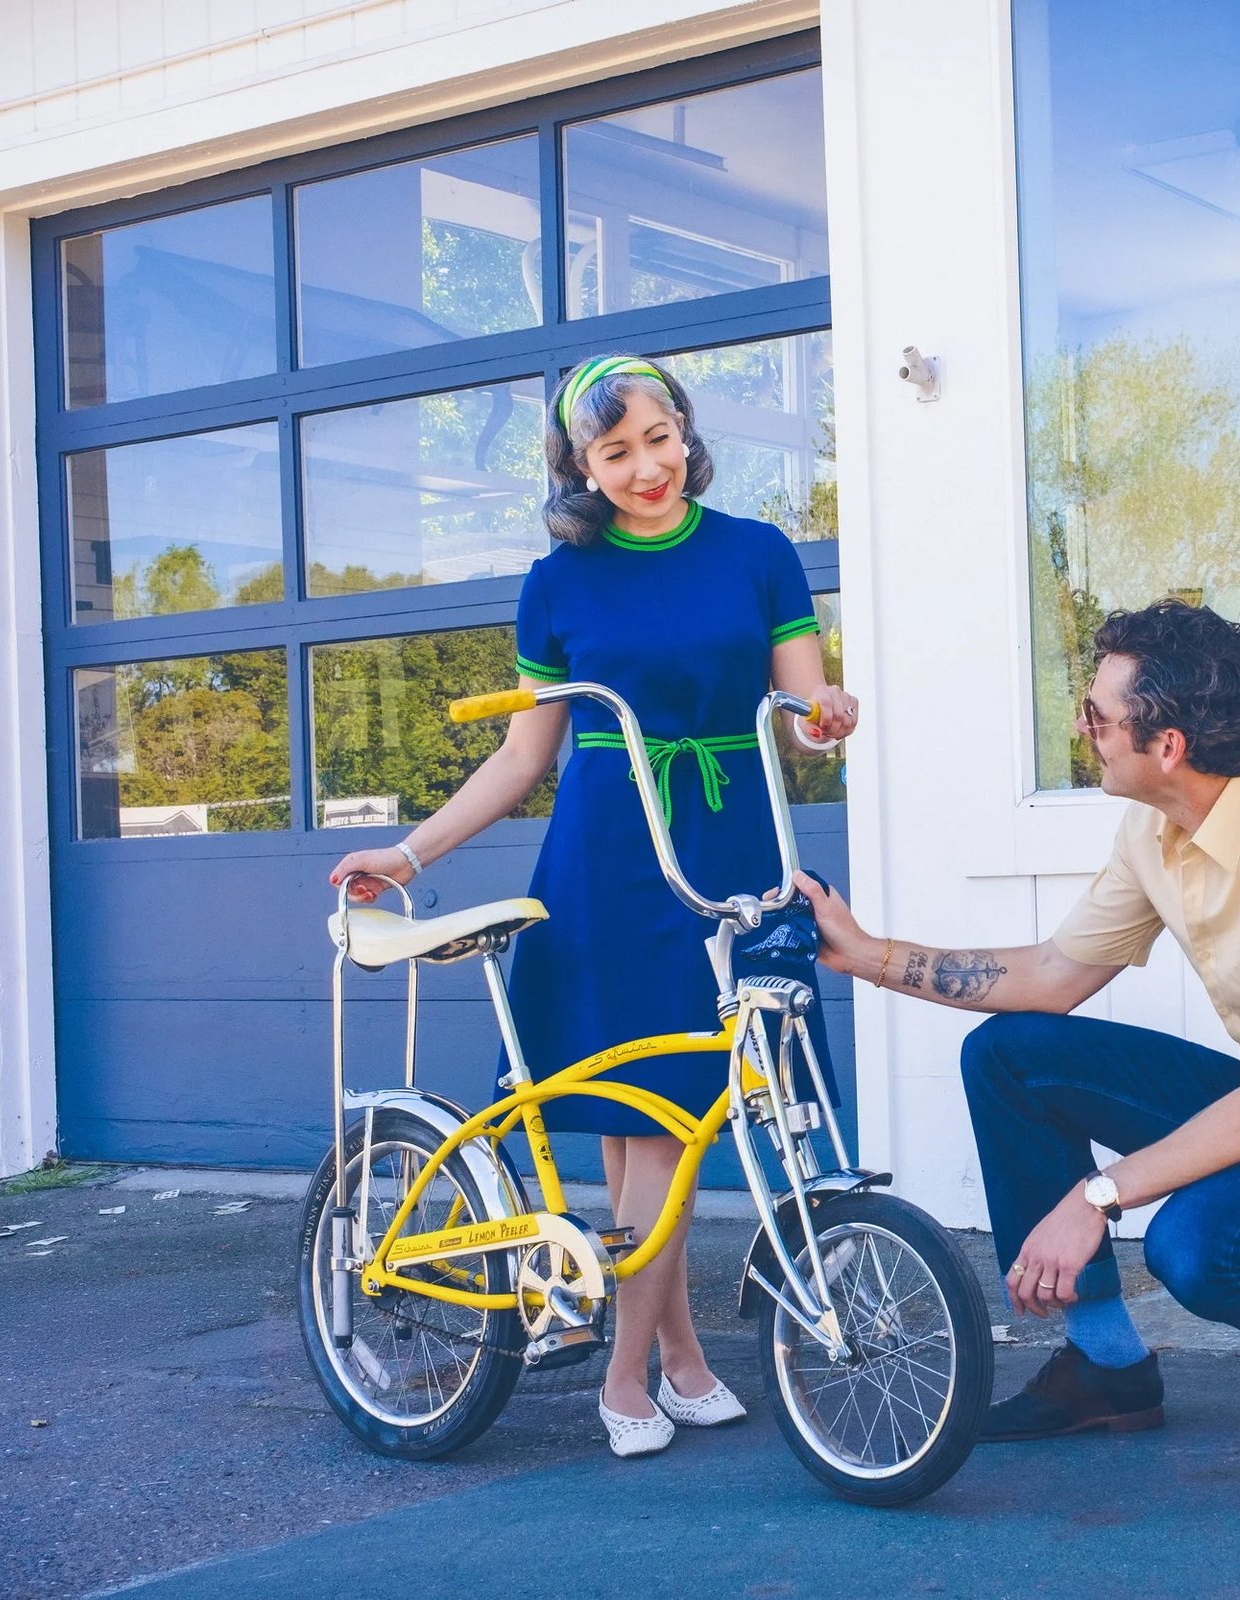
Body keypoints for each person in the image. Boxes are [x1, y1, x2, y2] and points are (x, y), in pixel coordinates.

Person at [329, 354, 858, 1460]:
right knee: (645, 1122)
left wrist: (826, 713)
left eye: (658, 438)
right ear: (579, 464)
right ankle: (637, 1371)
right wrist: (411, 851)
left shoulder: (758, 553)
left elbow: (802, 697)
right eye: (613, 451)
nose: (645, 466)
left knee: (677, 1120)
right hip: (609, 853)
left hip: (733, 840)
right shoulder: (556, 581)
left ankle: (677, 1359)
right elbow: (524, 755)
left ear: (684, 430)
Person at [795, 599, 1240, 1460]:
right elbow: (1049, 977)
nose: (1085, 729)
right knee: (1009, 1057)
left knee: (1195, 1246)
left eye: (1097, 715)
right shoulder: (1155, 829)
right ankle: (1106, 1365)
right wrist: (868, 955)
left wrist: (1098, 1197)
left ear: (1168, 746)